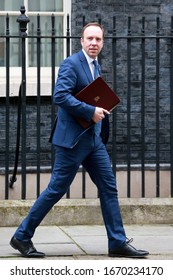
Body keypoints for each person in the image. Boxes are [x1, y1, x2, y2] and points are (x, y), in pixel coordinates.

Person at [10, 22, 149, 258]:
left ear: (102, 42)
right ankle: (22, 237)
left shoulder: (96, 66)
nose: (94, 43)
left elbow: (90, 96)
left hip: (94, 141)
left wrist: (100, 110)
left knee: (109, 187)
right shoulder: (71, 63)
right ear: (81, 41)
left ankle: (117, 242)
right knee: (56, 189)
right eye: (90, 39)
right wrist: (90, 111)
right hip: (72, 141)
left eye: (98, 39)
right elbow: (60, 96)